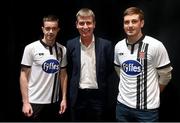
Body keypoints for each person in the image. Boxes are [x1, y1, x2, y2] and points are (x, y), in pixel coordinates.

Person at [114, 7, 173, 122]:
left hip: (147, 111)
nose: (130, 25)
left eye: (134, 21)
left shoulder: (155, 45)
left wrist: (155, 91)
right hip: (122, 107)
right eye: (126, 22)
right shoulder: (118, 46)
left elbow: (166, 75)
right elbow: (118, 69)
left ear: (142, 23)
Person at [66, 8, 115, 121]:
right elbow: (69, 69)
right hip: (78, 96)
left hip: (98, 96)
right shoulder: (70, 44)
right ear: (76, 24)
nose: (85, 27)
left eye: (88, 23)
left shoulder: (106, 45)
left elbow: (109, 69)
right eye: (81, 23)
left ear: (94, 24)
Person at [19, 15, 68, 121]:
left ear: (58, 30)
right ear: (42, 29)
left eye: (54, 28)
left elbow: (63, 75)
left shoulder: (62, 49)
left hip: (54, 103)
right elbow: (23, 75)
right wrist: (26, 102)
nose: (50, 31)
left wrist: (64, 99)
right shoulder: (31, 48)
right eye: (47, 28)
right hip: (34, 102)